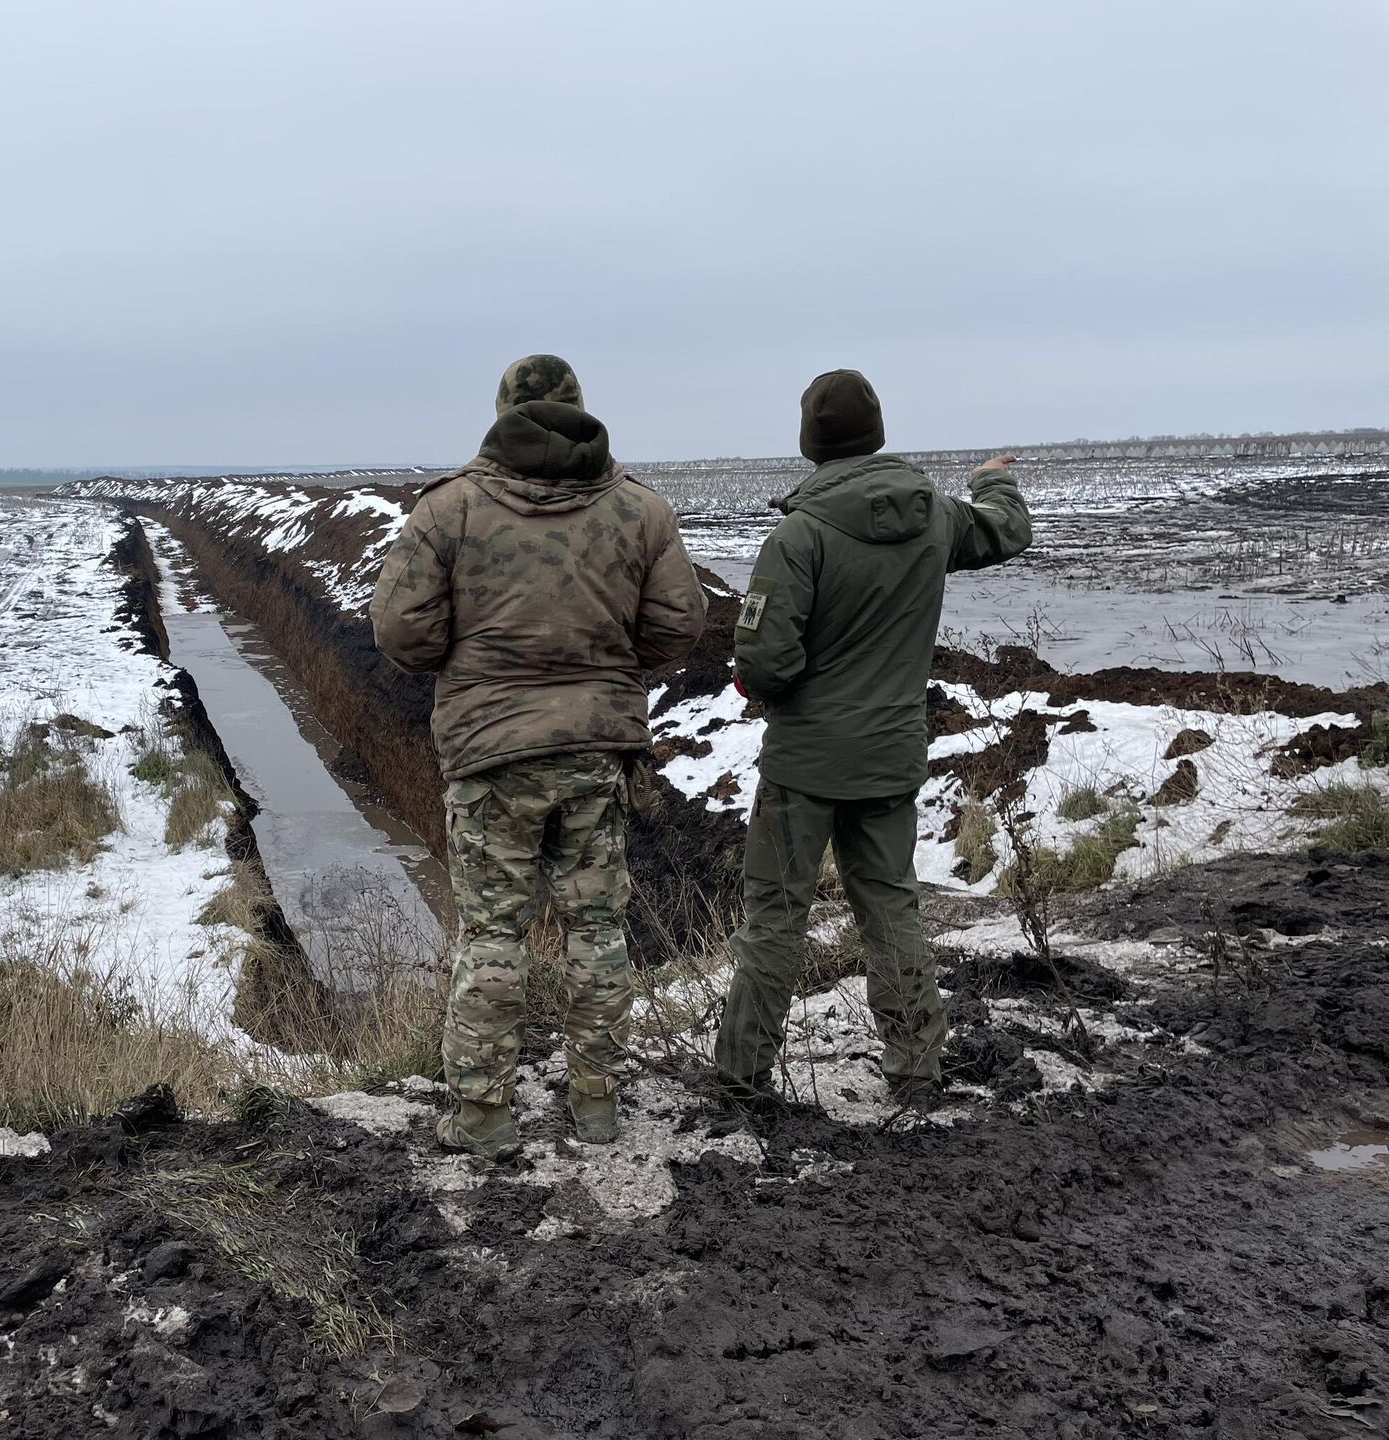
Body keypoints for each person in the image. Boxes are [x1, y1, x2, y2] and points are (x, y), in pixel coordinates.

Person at [371, 354, 707, 1157]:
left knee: (492, 932)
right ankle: (596, 1102)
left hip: (491, 756)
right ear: (581, 409)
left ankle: (483, 1113)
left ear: (501, 413)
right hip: (598, 751)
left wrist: (478, 659)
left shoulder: (449, 510)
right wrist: (603, 659)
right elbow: (678, 626)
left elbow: (400, 634)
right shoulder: (639, 509)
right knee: (598, 928)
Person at [716, 368, 1032, 1107]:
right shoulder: (935, 519)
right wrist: (993, 482)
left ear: (810, 443)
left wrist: (763, 687)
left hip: (804, 764)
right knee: (891, 909)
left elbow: (764, 660)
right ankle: (918, 1070)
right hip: (891, 756)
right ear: (878, 431)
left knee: (775, 919)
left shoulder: (800, 534)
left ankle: (741, 1079)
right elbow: (1006, 531)